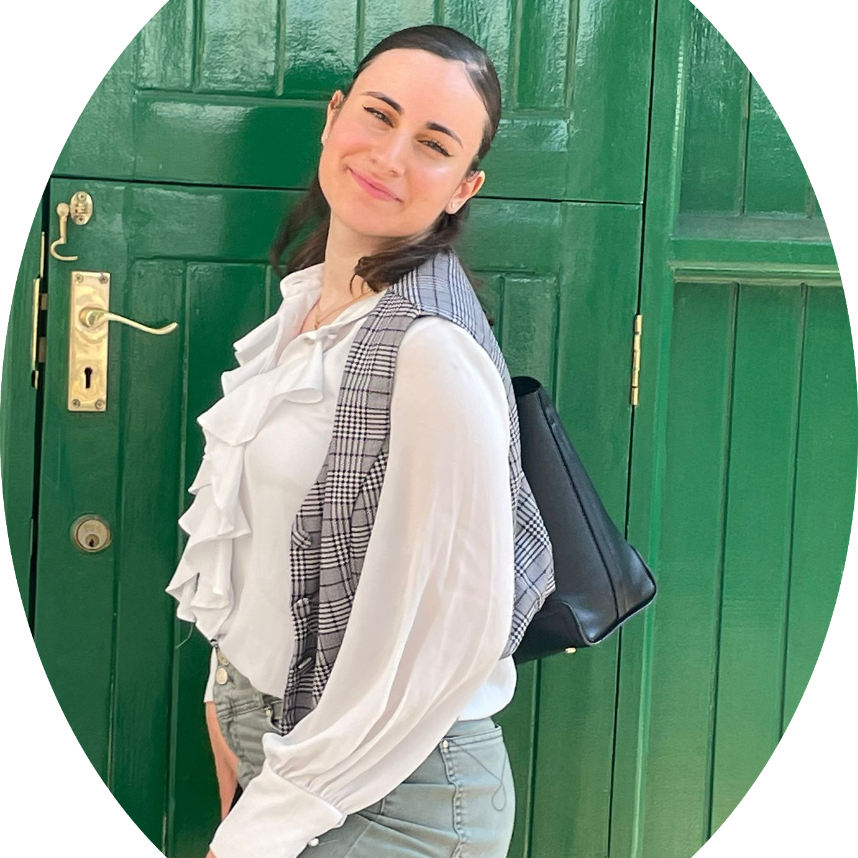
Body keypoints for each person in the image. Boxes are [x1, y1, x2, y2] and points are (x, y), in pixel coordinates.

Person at [165, 23, 555, 858]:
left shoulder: (430, 352)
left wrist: (268, 820)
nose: (390, 155)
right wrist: (226, 694)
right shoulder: (313, 311)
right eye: (378, 115)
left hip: (393, 793)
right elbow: (261, 542)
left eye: (433, 145)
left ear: (464, 186)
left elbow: (442, 640)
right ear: (334, 116)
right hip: (292, 749)